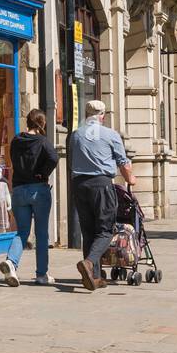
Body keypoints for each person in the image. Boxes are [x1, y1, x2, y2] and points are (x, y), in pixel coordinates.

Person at [69, 100, 135, 291]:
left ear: (86, 114)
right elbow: (123, 162)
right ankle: (89, 263)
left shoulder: (76, 135)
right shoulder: (110, 134)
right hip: (101, 184)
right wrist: (131, 179)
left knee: (88, 231)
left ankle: (94, 277)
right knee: (105, 230)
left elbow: (72, 160)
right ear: (103, 116)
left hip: (79, 184)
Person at [0, 109, 60, 287]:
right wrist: (43, 173)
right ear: (42, 124)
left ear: (28, 122)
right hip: (38, 189)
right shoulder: (42, 141)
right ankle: (42, 275)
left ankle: (11, 262)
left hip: (19, 189)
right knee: (41, 234)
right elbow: (54, 158)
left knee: (22, 232)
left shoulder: (16, 140)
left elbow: (13, 160)